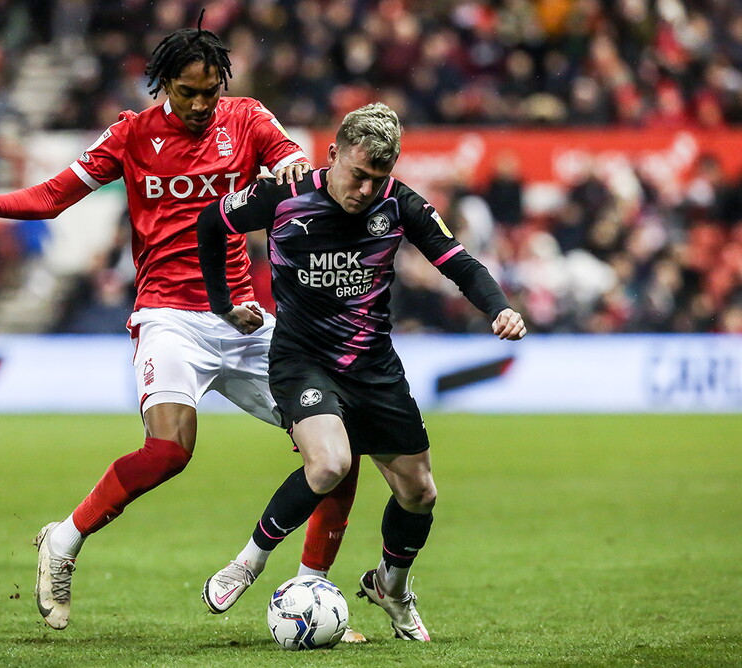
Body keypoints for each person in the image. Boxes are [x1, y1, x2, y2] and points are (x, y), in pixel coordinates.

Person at [0, 18, 363, 636]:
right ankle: (63, 541)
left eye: (210, 92)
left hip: (244, 319)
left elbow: (289, 153)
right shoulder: (131, 135)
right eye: (187, 92)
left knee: (340, 447)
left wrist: (286, 166)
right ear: (163, 85)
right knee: (171, 449)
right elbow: (54, 195)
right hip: (169, 316)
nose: (200, 105)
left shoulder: (249, 119)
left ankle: (312, 581)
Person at [197, 103, 526, 641]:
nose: (367, 189)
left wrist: (498, 308)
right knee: (328, 465)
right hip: (302, 359)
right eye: (358, 175)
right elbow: (211, 222)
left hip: (373, 366)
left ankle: (390, 588)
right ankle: (248, 562)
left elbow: (458, 261)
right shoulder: (283, 194)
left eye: (378, 177)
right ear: (333, 156)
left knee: (420, 493)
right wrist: (221, 303)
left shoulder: (400, 204)